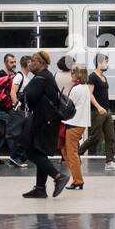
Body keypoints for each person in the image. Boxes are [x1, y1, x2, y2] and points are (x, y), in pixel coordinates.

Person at [20, 50, 67, 198]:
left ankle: (58, 176)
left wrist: (22, 94)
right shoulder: (46, 76)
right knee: (39, 152)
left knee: (30, 151)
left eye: (33, 61)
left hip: (43, 122)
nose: (30, 63)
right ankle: (40, 188)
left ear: (40, 63)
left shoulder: (41, 77)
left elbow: (30, 96)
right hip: (47, 121)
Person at [78, 53, 115, 170]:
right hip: (97, 112)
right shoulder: (92, 77)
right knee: (95, 137)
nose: (107, 64)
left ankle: (109, 162)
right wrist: (98, 107)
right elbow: (89, 94)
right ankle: (76, 154)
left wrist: (105, 109)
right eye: (106, 62)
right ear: (99, 63)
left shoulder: (104, 78)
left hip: (107, 111)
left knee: (110, 137)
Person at [61, 65, 91, 189]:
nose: (71, 75)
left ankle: (78, 180)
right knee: (70, 152)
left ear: (78, 75)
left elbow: (68, 106)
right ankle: (76, 179)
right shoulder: (85, 88)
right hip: (80, 123)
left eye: (73, 73)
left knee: (71, 153)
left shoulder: (76, 89)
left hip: (73, 123)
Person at [0, 53, 18, 162]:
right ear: (6, 63)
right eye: (11, 62)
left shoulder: (15, 75)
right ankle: (14, 156)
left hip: (10, 108)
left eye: (15, 62)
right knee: (10, 131)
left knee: (2, 133)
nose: (14, 64)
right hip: (0, 108)